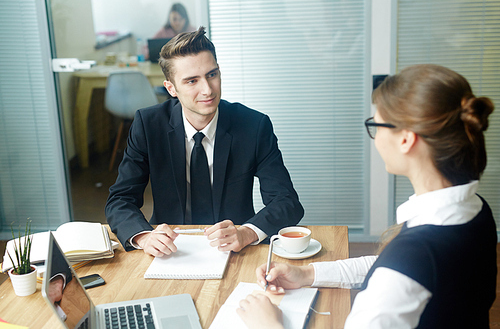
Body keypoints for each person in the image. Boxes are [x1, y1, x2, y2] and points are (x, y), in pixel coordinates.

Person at [237, 64, 497, 328]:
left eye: (377, 124)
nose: (375, 137)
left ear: (406, 139)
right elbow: (392, 268)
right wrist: (306, 273)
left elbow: (400, 271)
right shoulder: (473, 209)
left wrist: (267, 324)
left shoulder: (414, 256)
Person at [105, 27, 304, 257]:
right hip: (170, 250)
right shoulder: (148, 125)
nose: (208, 89)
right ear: (171, 88)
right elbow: (120, 200)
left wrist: (246, 233)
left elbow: (287, 201)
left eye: (212, 75)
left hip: (235, 250)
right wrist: (144, 236)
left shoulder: (253, 126)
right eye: (192, 81)